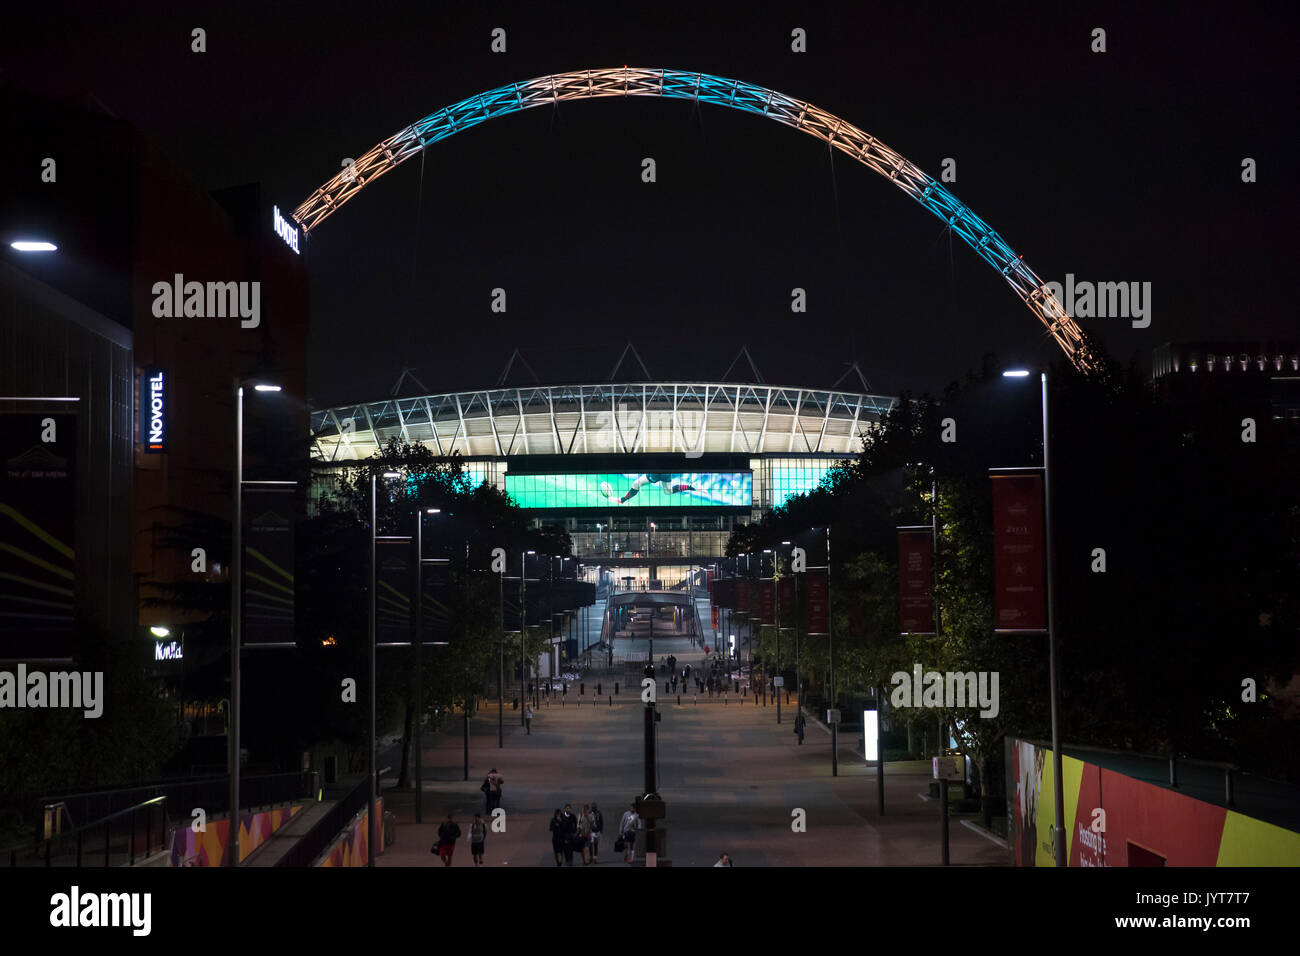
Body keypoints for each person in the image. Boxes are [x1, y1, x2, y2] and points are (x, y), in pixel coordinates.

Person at [599, 473, 697, 504]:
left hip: (664, 474)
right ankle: (623, 499)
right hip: (655, 473)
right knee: (636, 483)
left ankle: (689, 487)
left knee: (668, 491)